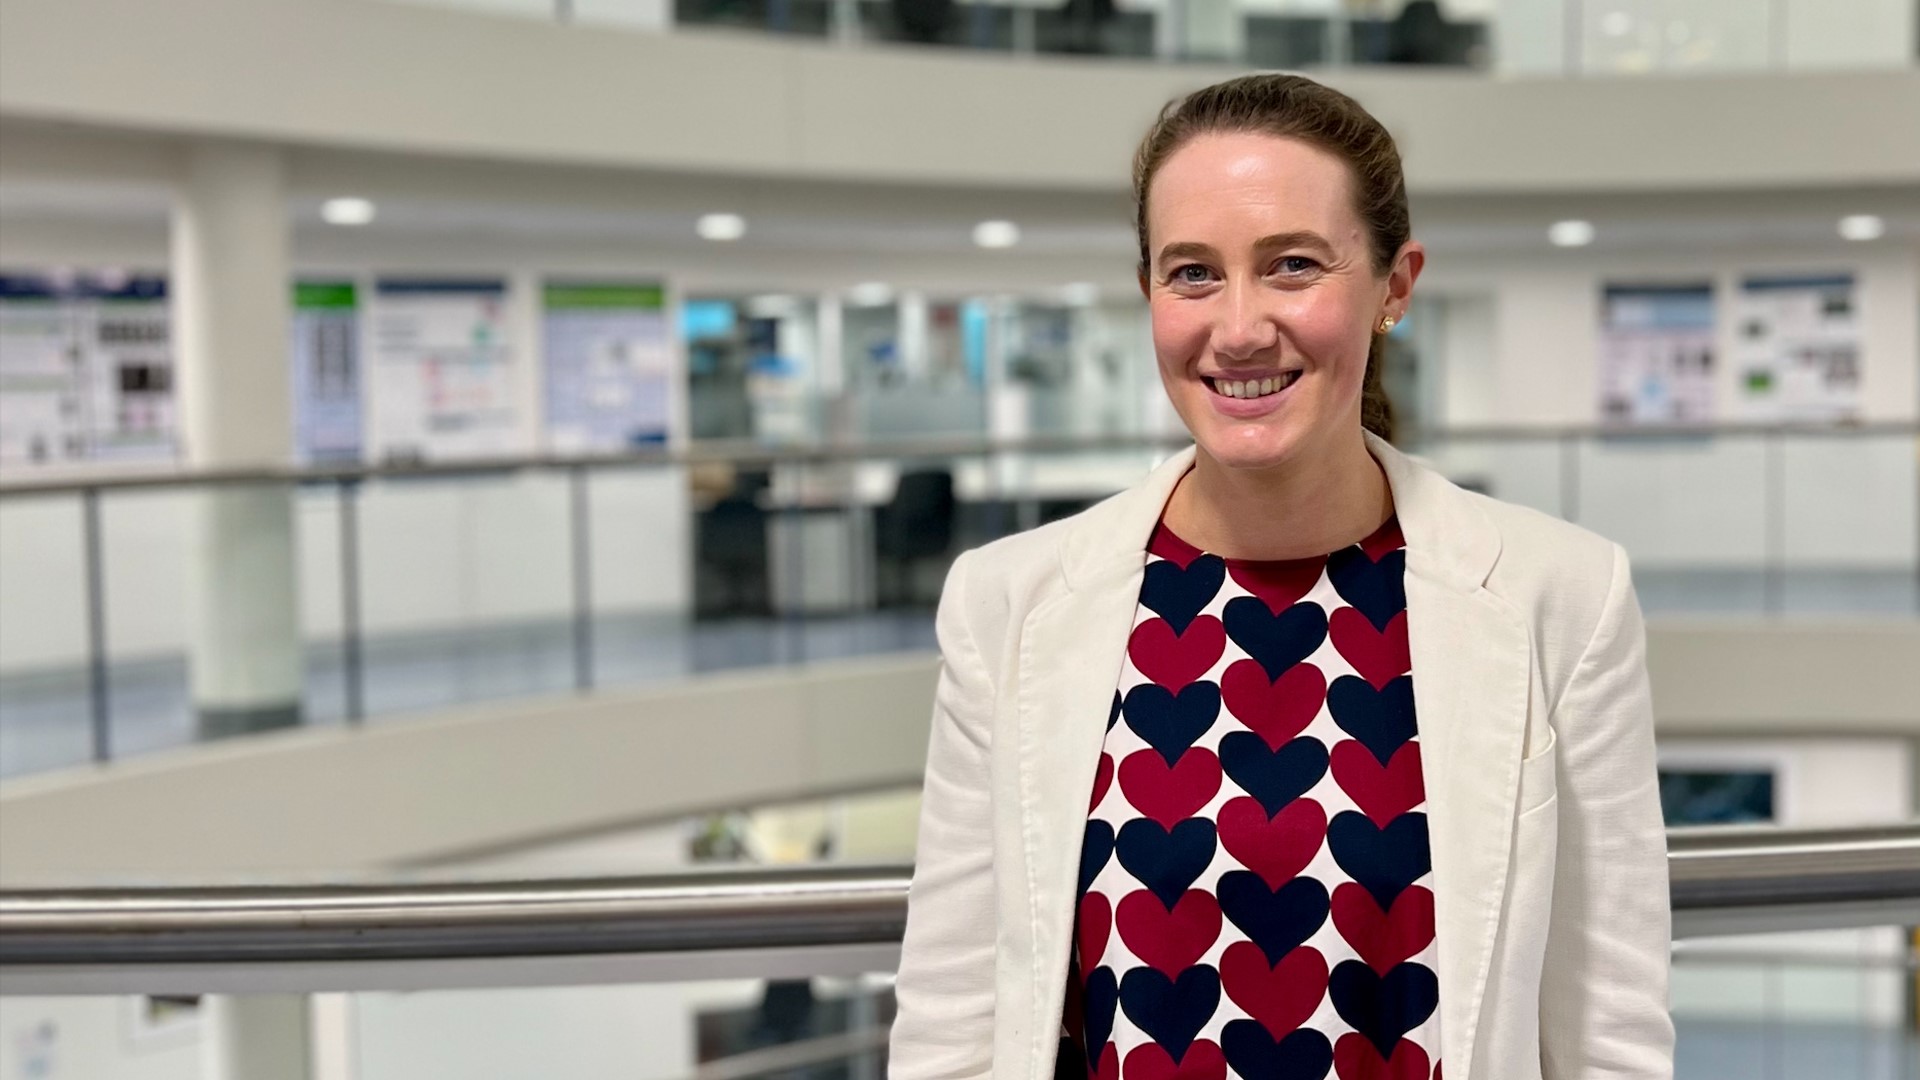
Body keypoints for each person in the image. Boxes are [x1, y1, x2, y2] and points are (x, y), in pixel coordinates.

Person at [888, 73, 1674, 1080]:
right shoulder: (1008, 604)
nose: (1241, 326)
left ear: (1395, 285)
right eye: (1193, 274)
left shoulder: (1562, 596)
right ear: (1149, 297)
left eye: (1292, 265)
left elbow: (1610, 1030)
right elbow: (952, 1021)